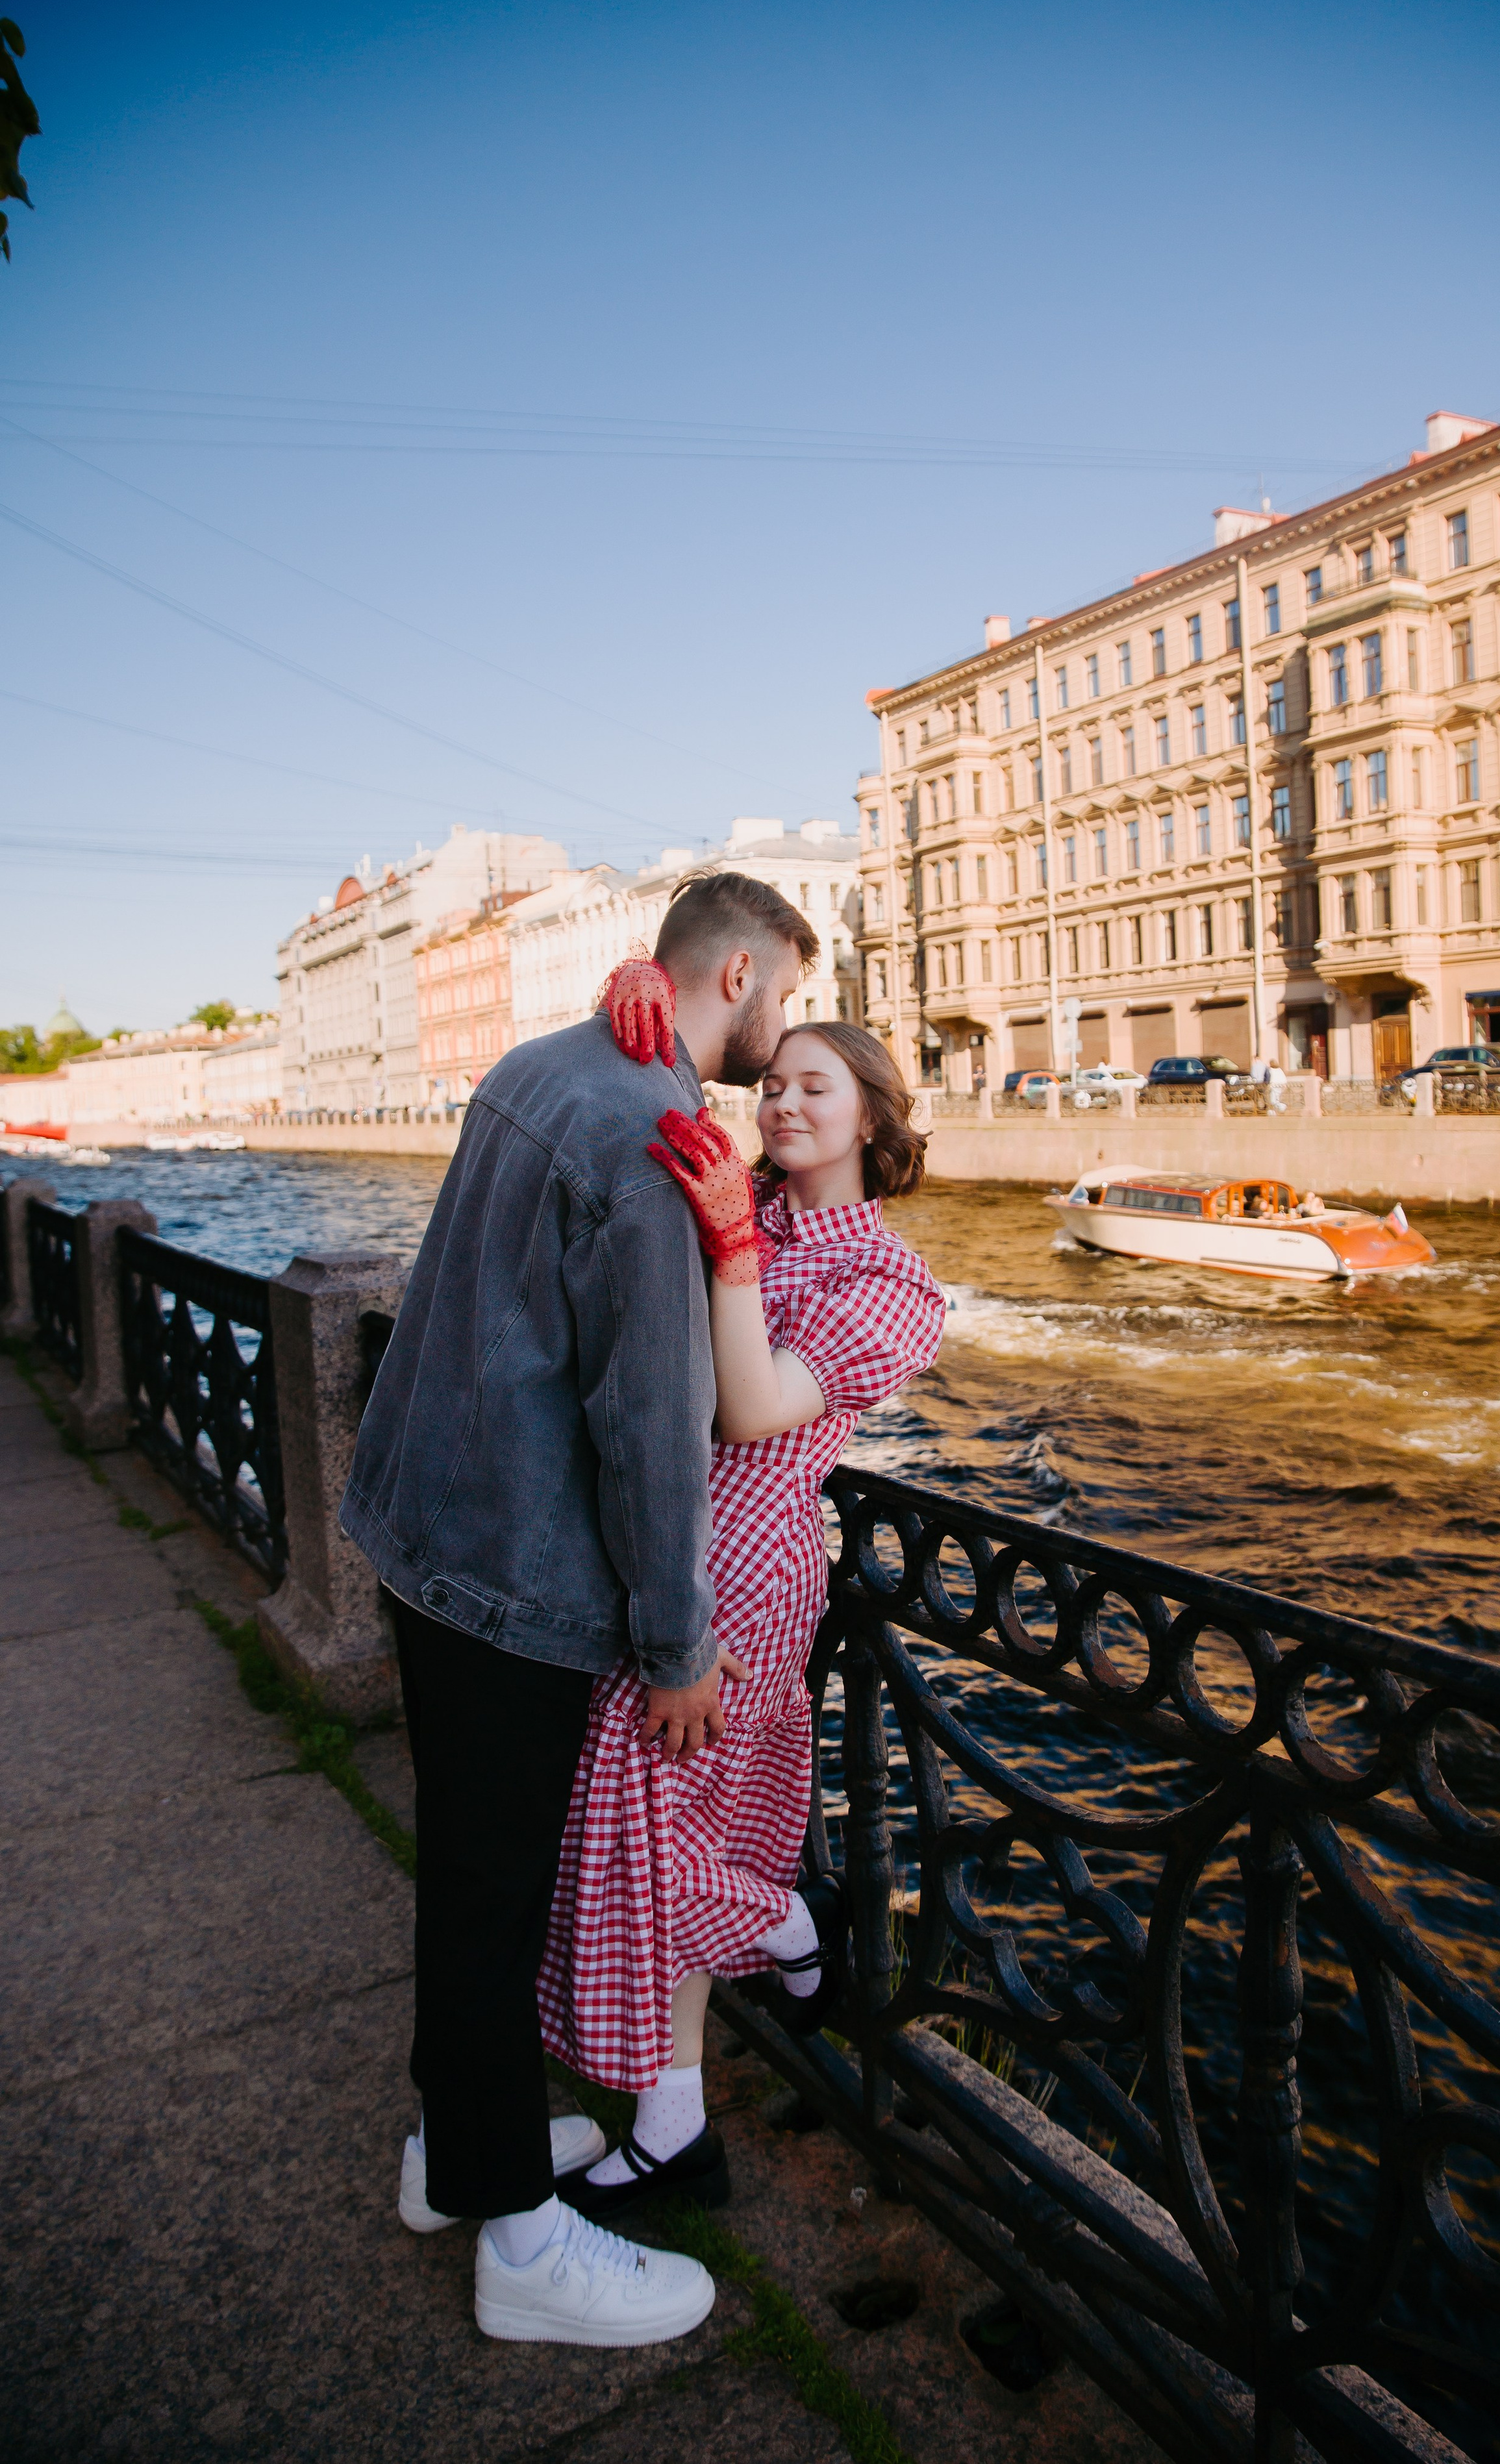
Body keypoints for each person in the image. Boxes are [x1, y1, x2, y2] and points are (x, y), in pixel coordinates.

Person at [339, 870, 816, 2346]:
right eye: (785, 996)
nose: (780, 1025)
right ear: (733, 974)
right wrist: (677, 1646)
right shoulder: (647, 1131)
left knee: (467, 1880)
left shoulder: (542, 1066)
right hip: (511, 1574)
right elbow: (653, 1419)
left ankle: (453, 2151)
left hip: (425, 1527)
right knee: (492, 1900)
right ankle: (520, 2245)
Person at [536, 1008, 946, 2222]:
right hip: (658, 1549)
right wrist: (629, 1003)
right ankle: (675, 2133)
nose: (781, 1104)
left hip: (746, 1573)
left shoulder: (891, 1284)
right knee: (666, 1822)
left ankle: (786, 1919)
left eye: (815, 1088)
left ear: (871, 1117)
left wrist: (728, 1251)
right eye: (771, 1083)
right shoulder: (738, 1201)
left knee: (624, 1829)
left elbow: (754, 1413)